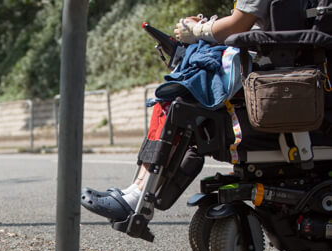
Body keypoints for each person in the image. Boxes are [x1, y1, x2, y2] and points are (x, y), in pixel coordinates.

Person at [81, 1, 272, 223]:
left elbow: (239, 24)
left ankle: (136, 196)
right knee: (170, 102)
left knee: (176, 103)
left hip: (256, 63)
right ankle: (135, 191)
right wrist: (205, 27)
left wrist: (196, 30)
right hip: (255, 56)